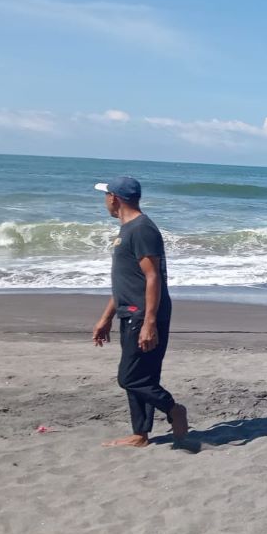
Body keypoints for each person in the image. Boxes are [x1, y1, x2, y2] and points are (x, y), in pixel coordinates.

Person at [91, 177, 190, 449]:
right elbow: (127, 281)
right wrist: (107, 317)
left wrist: (149, 323)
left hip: (143, 315)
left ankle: (174, 409)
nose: (105, 201)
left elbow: (152, 277)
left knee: (130, 377)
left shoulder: (142, 229)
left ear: (114, 198)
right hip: (130, 312)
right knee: (143, 378)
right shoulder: (127, 229)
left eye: (106, 195)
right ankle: (140, 434)